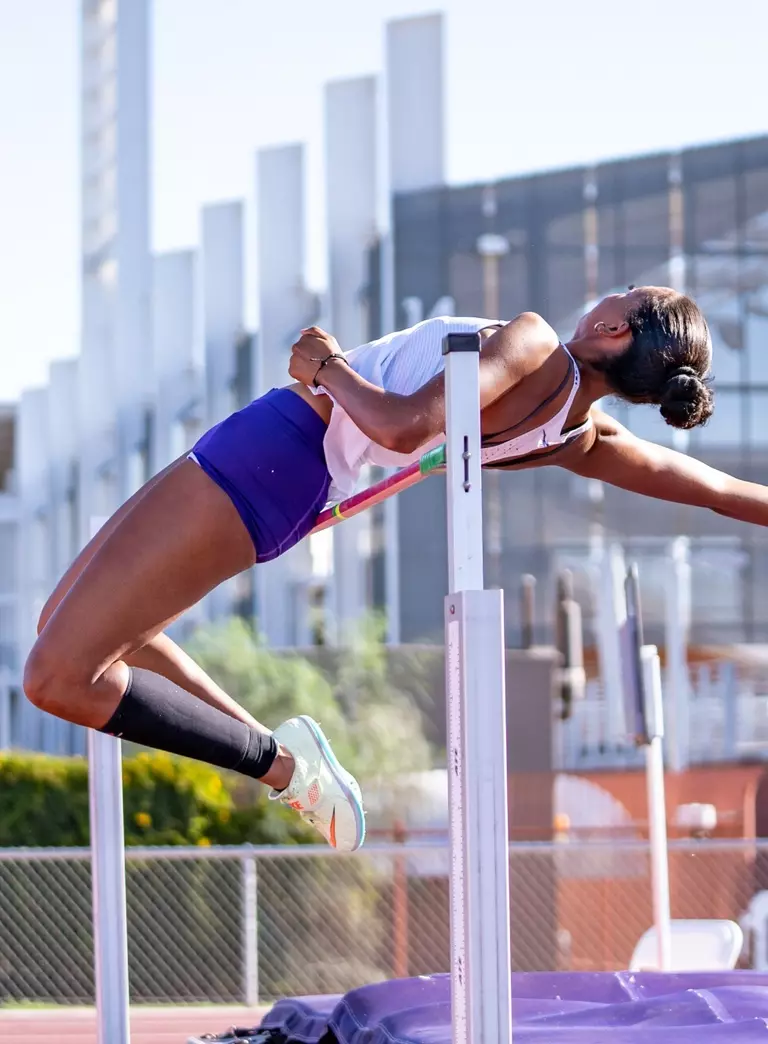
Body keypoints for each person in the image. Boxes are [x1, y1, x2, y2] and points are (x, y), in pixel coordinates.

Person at [24, 285, 762, 854]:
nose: (607, 296)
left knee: (58, 677)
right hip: (274, 458)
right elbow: (724, 494)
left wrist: (326, 365)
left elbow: (404, 424)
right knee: (59, 627)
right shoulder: (574, 435)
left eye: (624, 295)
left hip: (277, 460)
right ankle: (290, 760)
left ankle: (278, 766)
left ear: (615, 329)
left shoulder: (536, 341)